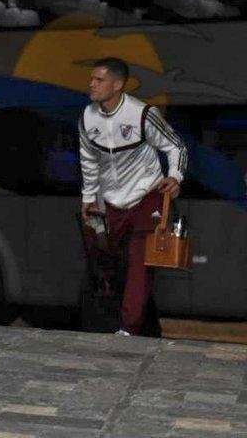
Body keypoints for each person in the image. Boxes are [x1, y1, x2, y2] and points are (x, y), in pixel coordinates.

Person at [79, 57, 187, 336]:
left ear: (118, 84)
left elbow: (177, 147)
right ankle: (146, 323)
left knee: (140, 263)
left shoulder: (142, 114)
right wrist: (89, 197)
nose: (91, 84)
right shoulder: (87, 117)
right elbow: (89, 161)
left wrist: (175, 176)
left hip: (146, 200)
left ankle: (128, 328)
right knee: (114, 266)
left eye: (99, 80)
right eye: (92, 79)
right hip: (111, 203)